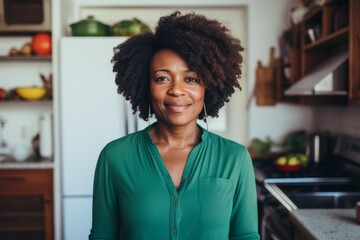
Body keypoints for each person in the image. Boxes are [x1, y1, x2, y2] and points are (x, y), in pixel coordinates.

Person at [89, 11, 259, 240]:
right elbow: (102, 236)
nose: (177, 90)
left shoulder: (235, 158)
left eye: (191, 79)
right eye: (162, 78)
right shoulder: (115, 156)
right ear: (145, 86)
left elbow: (246, 236)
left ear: (207, 87)